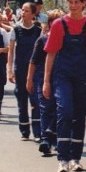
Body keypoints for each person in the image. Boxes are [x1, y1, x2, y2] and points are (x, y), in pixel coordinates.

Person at [42, 0, 86, 172]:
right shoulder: (59, 25)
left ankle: (75, 159)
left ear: (83, 3)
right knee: (65, 111)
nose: (73, 6)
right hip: (63, 76)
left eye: (77, 2)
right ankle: (62, 159)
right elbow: (51, 53)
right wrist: (46, 80)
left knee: (79, 115)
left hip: (83, 76)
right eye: (70, 2)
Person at [27, 9, 63, 156]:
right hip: (43, 78)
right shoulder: (42, 40)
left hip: (61, 78)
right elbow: (33, 61)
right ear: (49, 25)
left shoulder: (66, 41)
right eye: (54, 24)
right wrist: (29, 79)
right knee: (45, 108)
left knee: (59, 108)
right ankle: (45, 140)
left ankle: (52, 136)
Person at [7, 2, 43, 140]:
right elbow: (11, 52)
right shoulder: (15, 30)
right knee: (21, 99)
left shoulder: (38, 31)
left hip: (34, 69)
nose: (23, 13)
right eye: (22, 10)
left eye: (27, 10)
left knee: (35, 100)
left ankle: (37, 132)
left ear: (33, 14)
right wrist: (9, 70)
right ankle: (24, 130)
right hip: (20, 69)